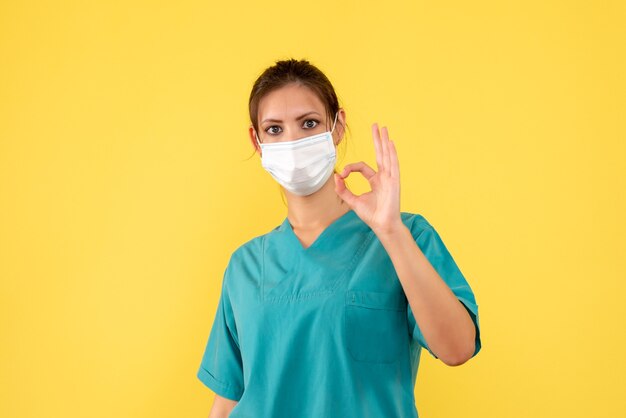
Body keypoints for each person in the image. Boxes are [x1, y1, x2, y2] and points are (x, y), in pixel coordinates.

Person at [197, 58, 482, 418]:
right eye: (274, 129)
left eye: (309, 123)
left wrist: (391, 232)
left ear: (337, 127)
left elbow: (458, 348)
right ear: (257, 140)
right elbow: (229, 399)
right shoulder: (246, 265)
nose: (293, 141)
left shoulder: (405, 236)